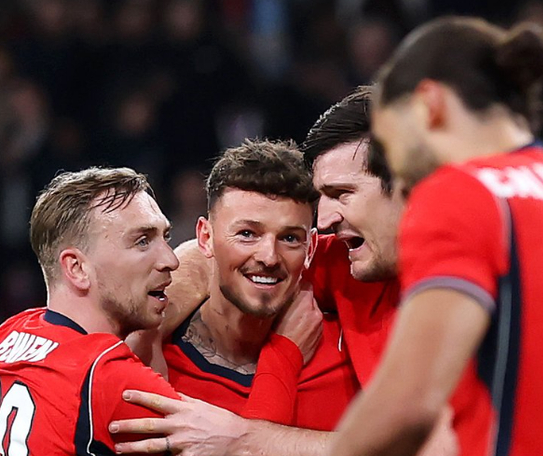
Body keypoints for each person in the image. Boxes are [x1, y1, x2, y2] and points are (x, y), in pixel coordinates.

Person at [331, 16, 543, 456]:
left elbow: (405, 408)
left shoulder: (465, 194)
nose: (401, 176)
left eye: (392, 147)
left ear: (430, 104)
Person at [110, 89, 455, 455]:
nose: (325, 219)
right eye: (323, 197)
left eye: (342, 193)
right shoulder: (353, 259)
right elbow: (219, 258)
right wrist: (147, 327)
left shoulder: (485, 301)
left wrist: (246, 437)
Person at [0, 167, 181, 454]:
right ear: (77, 268)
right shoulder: (111, 378)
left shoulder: (9, 334)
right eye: (142, 241)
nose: (171, 260)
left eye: (166, 237)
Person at [162, 139, 359, 430]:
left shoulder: (352, 354)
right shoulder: (155, 363)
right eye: (247, 234)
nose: (269, 257)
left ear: (311, 249)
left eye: (290, 238)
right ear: (205, 238)